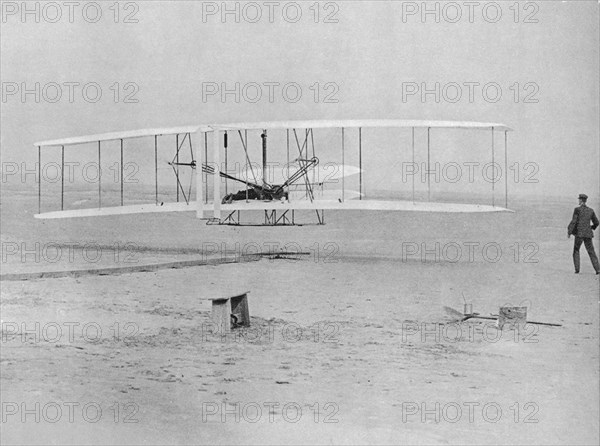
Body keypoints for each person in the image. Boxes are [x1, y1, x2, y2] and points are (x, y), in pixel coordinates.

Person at [567, 194, 600, 274]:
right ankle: (598, 270)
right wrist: (591, 227)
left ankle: (577, 270)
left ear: (581, 200)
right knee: (591, 251)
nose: (578, 201)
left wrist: (569, 231)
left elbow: (574, 221)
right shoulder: (591, 210)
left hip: (579, 234)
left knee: (576, 250)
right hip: (588, 234)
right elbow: (597, 222)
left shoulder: (577, 210)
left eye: (579, 199)